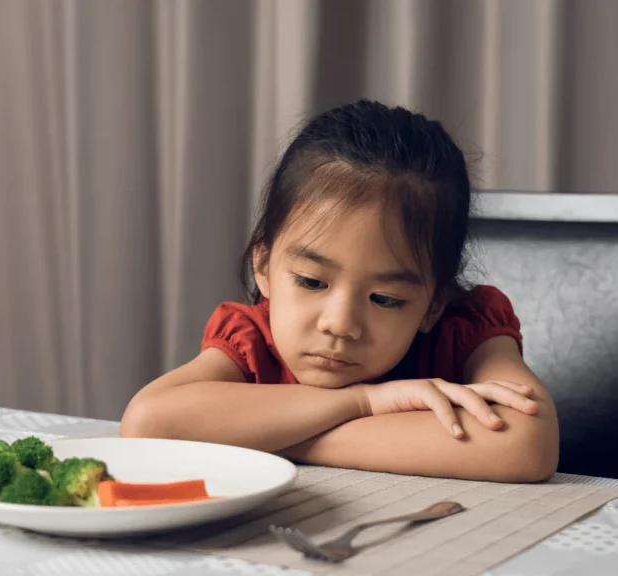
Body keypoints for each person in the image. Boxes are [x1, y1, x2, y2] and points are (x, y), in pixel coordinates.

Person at [121, 100, 559, 482]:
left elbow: (527, 445)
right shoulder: (251, 339)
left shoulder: (463, 329)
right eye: (312, 282)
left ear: (434, 304)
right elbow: (147, 423)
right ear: (264, 267)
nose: (341, 324)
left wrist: (273, 434)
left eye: (386, 299)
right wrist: (364, 402)